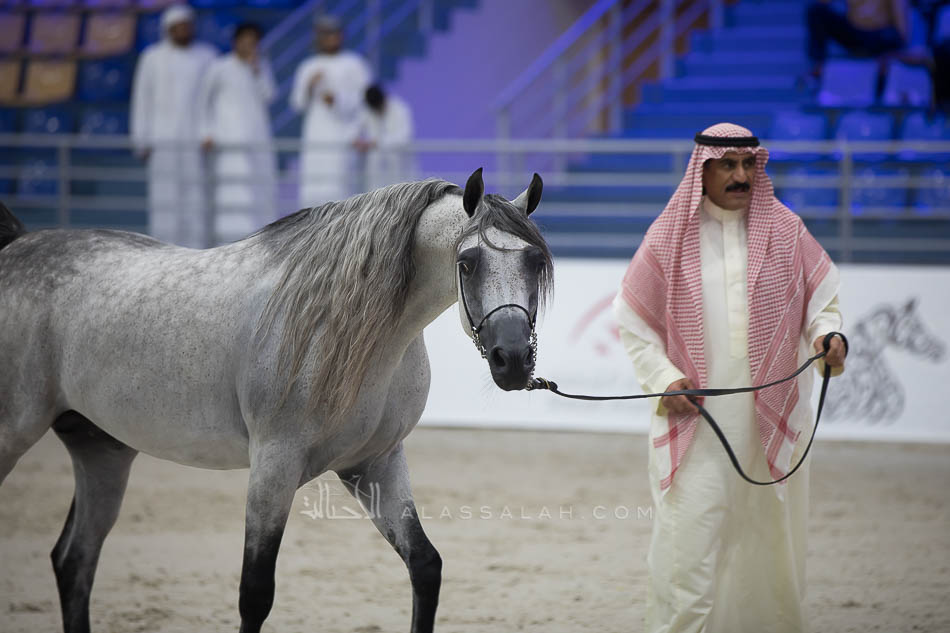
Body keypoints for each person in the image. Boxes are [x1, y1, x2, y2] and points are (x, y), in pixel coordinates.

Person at [613, 123, 847, 633]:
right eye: (728, 165)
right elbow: (634, 322)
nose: (741, 175)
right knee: (688, 552)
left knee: (770, 553)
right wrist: (664, 377)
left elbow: (821, 305)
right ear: (702, 170)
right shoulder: (669, 237)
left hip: (770, 425)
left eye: (747, 165)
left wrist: (827, 337)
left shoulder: (786, 230)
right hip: (696, 426)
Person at [131, 4, 217, 248]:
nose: (183, 30)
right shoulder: (152, 57)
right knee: (164, 196)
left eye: (187, 26)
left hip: (196, 140)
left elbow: (212, 100)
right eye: (178, 27)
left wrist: (210, 131)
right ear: (168, 29)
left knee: (196, 196)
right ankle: (163, 248)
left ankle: (197, 249)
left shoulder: (207, 56)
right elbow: (142, 98)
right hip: (161, 139)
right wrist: (141, 138)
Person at [198, 22, 277, 243]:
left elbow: (269, 96)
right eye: (246, 40)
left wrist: (256, 71)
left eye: (254, 42)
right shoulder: (219, 67)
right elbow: (203, 101)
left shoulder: (261, 67)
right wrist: (206, 131)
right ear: (236, 42)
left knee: (259, 189)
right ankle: (229, 241)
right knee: (232, 190)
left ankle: (260, 239)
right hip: (228, 140)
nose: (250, 45)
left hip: (258, 140)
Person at [290, 15, 372, 207]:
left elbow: (365, 100)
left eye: (334, 33)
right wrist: (309, 86)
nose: (330, 38)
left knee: (341, 187)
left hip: (342, 134)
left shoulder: (354, 64)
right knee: (314, 185)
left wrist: (338, 100)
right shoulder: (308, 66)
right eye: (325, 34)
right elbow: (297, 104)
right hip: (315, 136)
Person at [806, 0, 909, 81]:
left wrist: (899, 50)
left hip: (878, 34)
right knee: (816, 11)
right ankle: (819, 64)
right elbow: (823, 3)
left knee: (890, 35)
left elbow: (901, 26)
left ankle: (880, 64)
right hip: (854, 33)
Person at [355, 84, 415, 191]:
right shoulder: (368, 111)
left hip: (399, 168)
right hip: (376, 172)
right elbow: (353, 130)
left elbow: (404, 138)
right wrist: (357, 140)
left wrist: (377, 143)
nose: (377, 111)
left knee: (400, 194)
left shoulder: (400, 109)